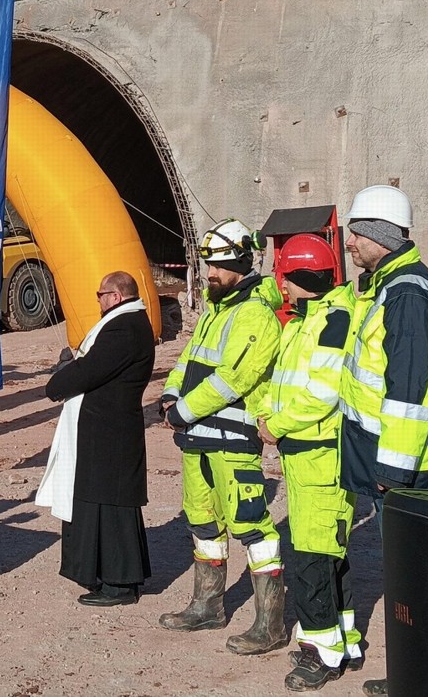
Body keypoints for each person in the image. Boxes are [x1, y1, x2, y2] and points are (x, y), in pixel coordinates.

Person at [338, 185, 428, 697]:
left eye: (356, 232)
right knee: (413, 578)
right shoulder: (387, 285)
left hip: (418, 468)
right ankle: (419, 676)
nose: (349, 242)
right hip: (402, 462)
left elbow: (408, 392)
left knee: (422, 579)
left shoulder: (408, 293)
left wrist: (392, 471)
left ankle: (426, 680)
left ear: (380, 234)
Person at [158, 218, 287, 655]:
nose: (209, 273)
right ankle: (207, 605)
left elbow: (234, 379)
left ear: (241, 264)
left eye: (218, 266)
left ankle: (270, 624)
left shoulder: (254, 313)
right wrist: (170, 394)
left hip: (231, 440)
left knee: (252, 527)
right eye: (208, 265)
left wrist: (181, 411)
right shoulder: (218, 308)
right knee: (203, 522)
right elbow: (189, 358)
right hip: (197, 437)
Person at [257, 233, 362, 691]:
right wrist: (267, 411)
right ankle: (345, 641)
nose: (280, 285)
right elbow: (284, 379)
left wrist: (275, 424)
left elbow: (321, 394)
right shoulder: (305, 320)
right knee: (328, 552)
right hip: (306, 455)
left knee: (313, 558)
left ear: (297, 276)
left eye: (283, 276)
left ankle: (320, 653)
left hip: (321, 456)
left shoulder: (332, 321)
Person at [37, 271, 157, 606]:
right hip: (102, 430)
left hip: (111, 432)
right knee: (99, 503)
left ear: (116, 297)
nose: (98, 300)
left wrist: (55, 385)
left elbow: (91, 369)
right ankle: (106, 575)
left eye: (100, 294)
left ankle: (120, 583)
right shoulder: (127, 324)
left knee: (113, 505)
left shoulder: (124, 328)